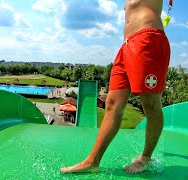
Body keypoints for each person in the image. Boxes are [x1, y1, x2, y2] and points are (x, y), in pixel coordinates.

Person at [60, 0, 170, 174]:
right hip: (127, 45)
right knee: (112, 104)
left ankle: (145, 158)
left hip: (148, 39)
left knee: (150, 103)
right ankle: (92, 162)